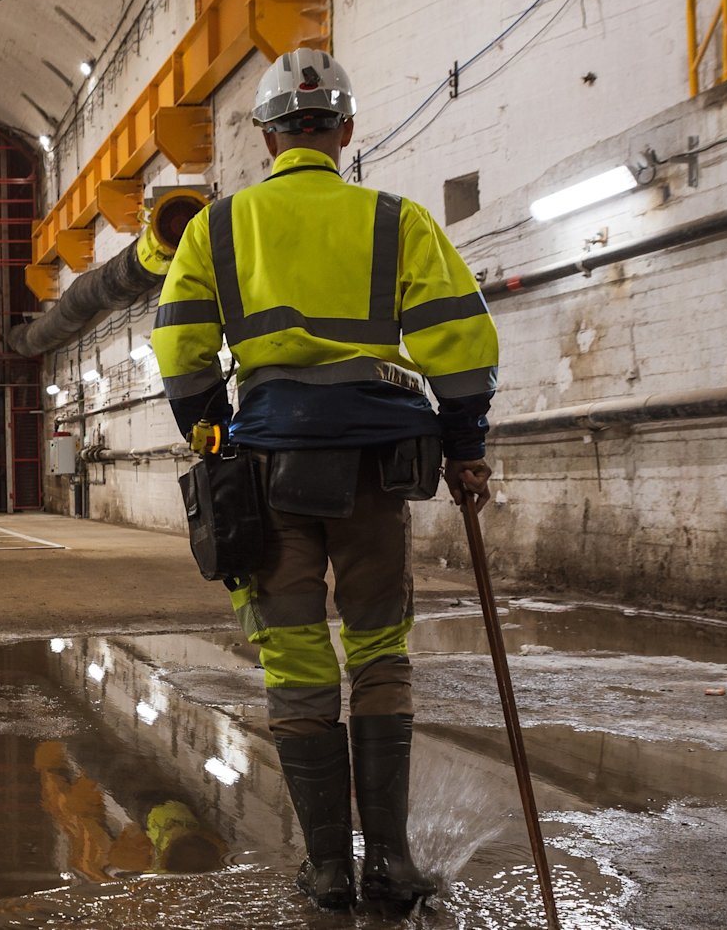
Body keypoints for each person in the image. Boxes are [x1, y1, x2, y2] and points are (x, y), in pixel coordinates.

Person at [151, 47, 498, 913]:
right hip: (381, 469)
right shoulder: (396, 221)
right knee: (380, 648)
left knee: (296, 658)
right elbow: (461, 345)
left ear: (268, 137)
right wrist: (465, 448)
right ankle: (392, 860)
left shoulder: (217, 227)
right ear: (344, 131)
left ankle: (329, 870)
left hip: (268, 468)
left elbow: (181, 347)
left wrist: (215, 434)